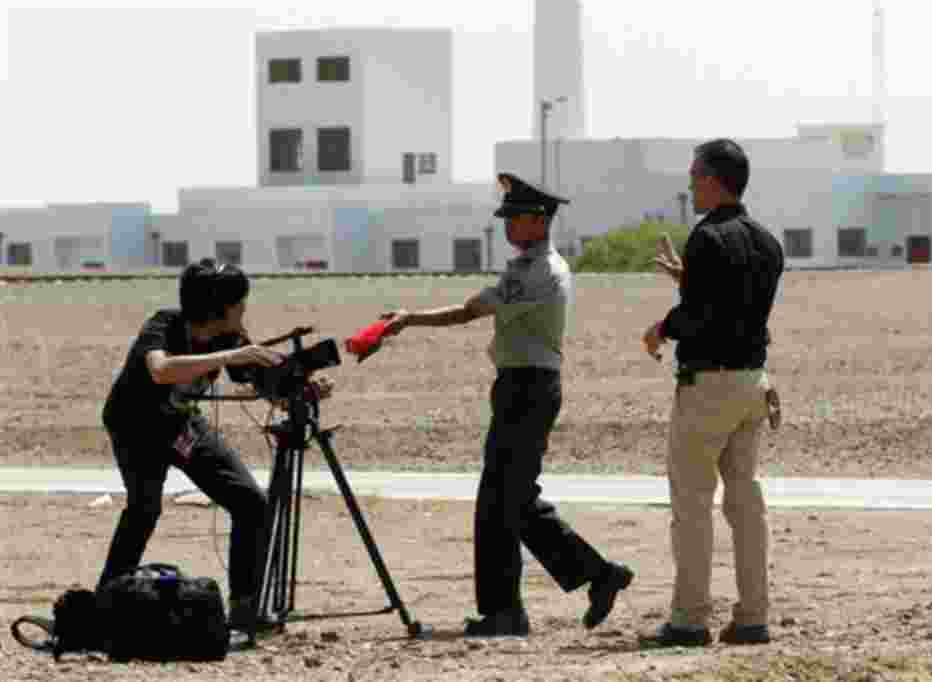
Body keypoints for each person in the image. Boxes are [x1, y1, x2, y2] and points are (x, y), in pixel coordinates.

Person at [380, 173, 634, 637]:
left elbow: (468, 311)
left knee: (498, 504)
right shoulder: (538, 264)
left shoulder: (533, 271)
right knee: (514, 500)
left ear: (538, 220)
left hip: (527, 389)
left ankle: (506, 612)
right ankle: (596, 575)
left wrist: (409, 319)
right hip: (526, 386)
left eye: (514, 217)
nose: (507, 226)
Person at [97, 260, 332, 629]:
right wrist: (230, 356)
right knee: (144, 510)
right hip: (135, 427)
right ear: (221, 308)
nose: (244, 311)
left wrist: (299, 391)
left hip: (181, 425)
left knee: (251, 503)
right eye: (240, 304)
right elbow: (160, 370)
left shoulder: (230, 336)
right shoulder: (164, 324)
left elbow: (263, 385)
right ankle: (106, 605)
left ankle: (244, 608)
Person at [640, 139, 785, 647]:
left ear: (713, 179)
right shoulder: (768, 242)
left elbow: (702, 315)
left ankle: (688, 619)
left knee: (693, 504)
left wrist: (662, 326)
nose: (690, 182)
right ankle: (752, 617)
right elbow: (734, 302)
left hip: (708, 386)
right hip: (753, 381)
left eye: (695, 174)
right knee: (746, 504)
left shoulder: (707, 237)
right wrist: (688, 278)